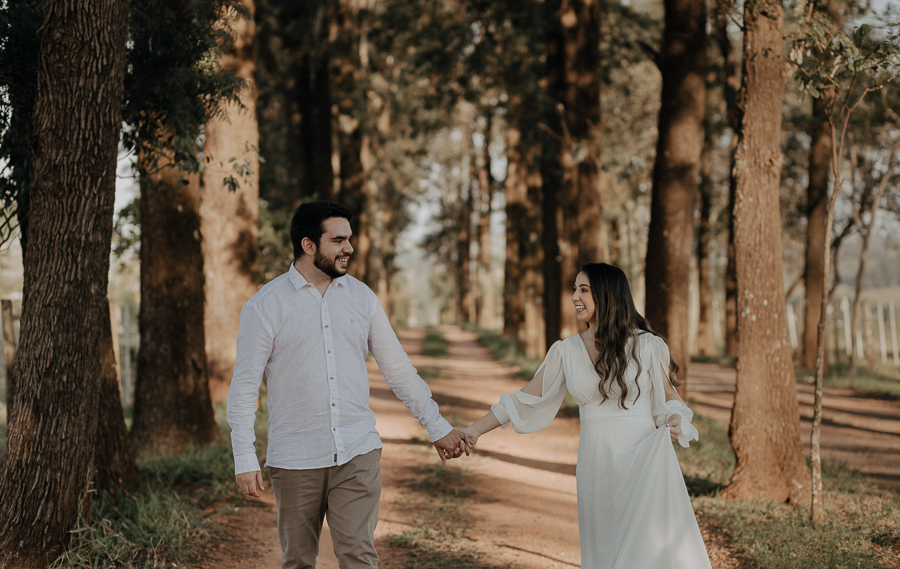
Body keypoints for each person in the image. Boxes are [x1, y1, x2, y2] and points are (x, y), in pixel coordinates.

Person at [226, 201, 469, 569]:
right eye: (338, 240)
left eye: (349, 239)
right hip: (295, 459)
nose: (349, 248)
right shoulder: (264, 306)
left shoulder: (361, 297)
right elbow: (244, 389)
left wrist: (437, 427)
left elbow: (399, 370)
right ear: (309, 245)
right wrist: (244, 456)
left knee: (359, 557)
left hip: (357, 450)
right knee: (298, 561)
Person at [459, 263, 712, 569]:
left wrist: (675, 419)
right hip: (596, 465)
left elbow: (670, 396)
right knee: (604, 550)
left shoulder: (646, 345)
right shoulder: (566, 351)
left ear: (607, 294)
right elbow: (524, 399)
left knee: (645, 549)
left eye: (583, 290)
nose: (574, 297)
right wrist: (474, 430)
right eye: (574, 289)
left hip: (643, 459)